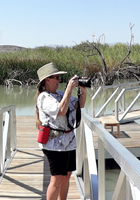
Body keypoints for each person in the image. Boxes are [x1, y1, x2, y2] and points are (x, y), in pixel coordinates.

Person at [34, 62, 86, 200]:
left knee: (67, 175)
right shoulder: (44, 97)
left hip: (69, 142)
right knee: (57, 180)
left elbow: (80, 104)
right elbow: (61, 111)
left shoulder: (61, 94)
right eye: (57, 77)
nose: (59, 81)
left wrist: (83, 90)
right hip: (54, 145)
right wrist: (69, 88)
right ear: (47, 80)